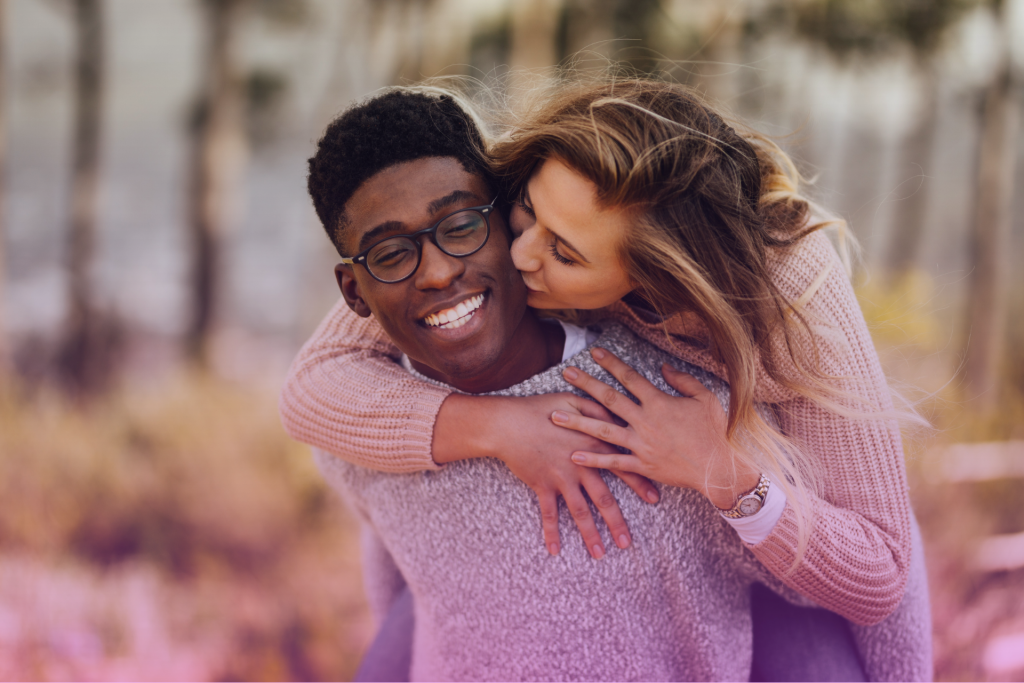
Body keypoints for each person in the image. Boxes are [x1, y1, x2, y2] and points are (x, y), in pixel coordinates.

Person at [302, 87, 880, 681]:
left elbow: (873, 582)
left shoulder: (690, 404)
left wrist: (721, 471)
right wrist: (500, 426)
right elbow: (402, 581)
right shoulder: (367, 424)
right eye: (394, 254)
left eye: (565, 253)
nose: (442, 270)